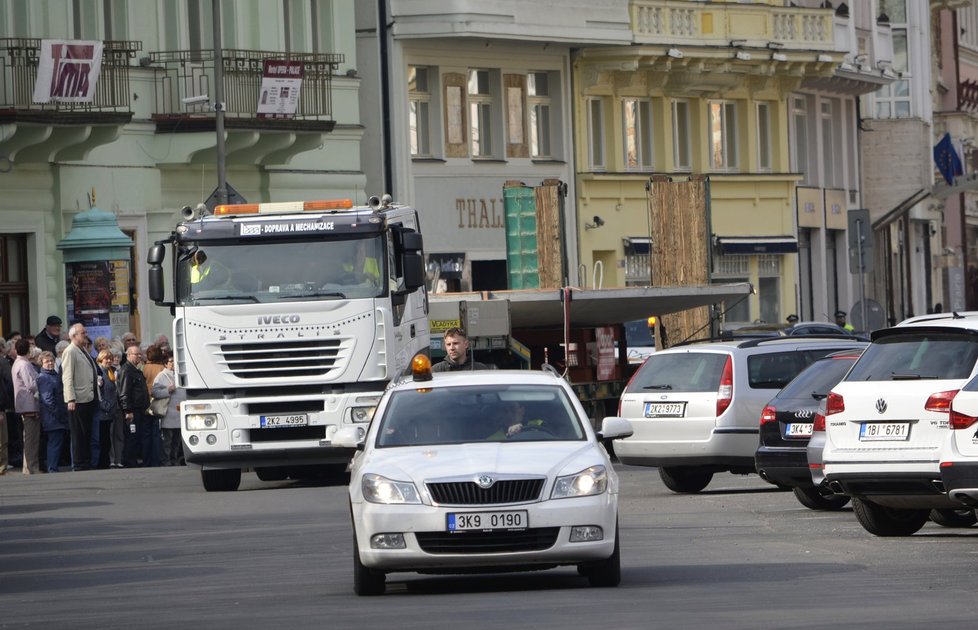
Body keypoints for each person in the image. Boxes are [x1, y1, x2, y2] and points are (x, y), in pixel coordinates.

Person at [62, 323, 100, 471]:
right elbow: (67, 376)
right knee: (78, 433)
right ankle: (79, 463)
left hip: (88, 397)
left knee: (86, 433)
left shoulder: (82, 349)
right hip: (78, 399)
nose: (86, 334)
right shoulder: (70, 351)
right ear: (73, 336)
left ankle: (85, 461)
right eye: (82, 333)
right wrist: (70, 398)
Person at [118, 344, 154, 467]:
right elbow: (124, 392)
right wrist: (128, 410)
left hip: (140, 410)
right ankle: (129, 462)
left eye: (140, 354)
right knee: (132, 437)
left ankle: (134, 461)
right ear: (128, 355)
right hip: (133, 410)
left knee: (137, 436)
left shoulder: (135, 370)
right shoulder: (126, 370)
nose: (139, 356)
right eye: (136, 354)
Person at [37, 351, 69, 473]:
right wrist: (59, 414)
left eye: (51, 360)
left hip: (58, 415)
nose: (50, 363)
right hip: (52, 417)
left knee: (57, 442)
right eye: (47, 361)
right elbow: (47, 399)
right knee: (54, 443)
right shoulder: (44, 378)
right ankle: (52, 468)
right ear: (41, 363)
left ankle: (53, 467)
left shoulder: (54, 375)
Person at [12, 338, 40, 474]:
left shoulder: (18, 363)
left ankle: (27, 467)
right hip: (30, 404)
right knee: (31, 438)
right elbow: (31, 384)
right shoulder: (24, 364)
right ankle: (31, 467)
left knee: (28, 437)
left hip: (24, 404)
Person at [152, 355, 185, 466]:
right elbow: (155, 392)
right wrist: (168, 390)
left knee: (177, 441)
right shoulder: (161, 376)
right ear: (166, 364)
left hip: (180, 412)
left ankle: (174, 460)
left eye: (175, 361)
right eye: (171, 361)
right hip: (168, 413)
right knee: (167, 440)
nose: (173, 363)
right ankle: (166, 461)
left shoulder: (181, 374)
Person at [93, 350, 118, 469]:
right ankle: (101, 463)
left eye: (110, 359)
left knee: (108, 439)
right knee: (103, 439)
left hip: (111, 412)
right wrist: (106, 406)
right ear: (100, 360)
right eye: (106, 359)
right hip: (103, 412)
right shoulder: (99, 373)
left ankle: (106, 462)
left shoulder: (111, 372)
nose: (109, 361)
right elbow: (99, 394)